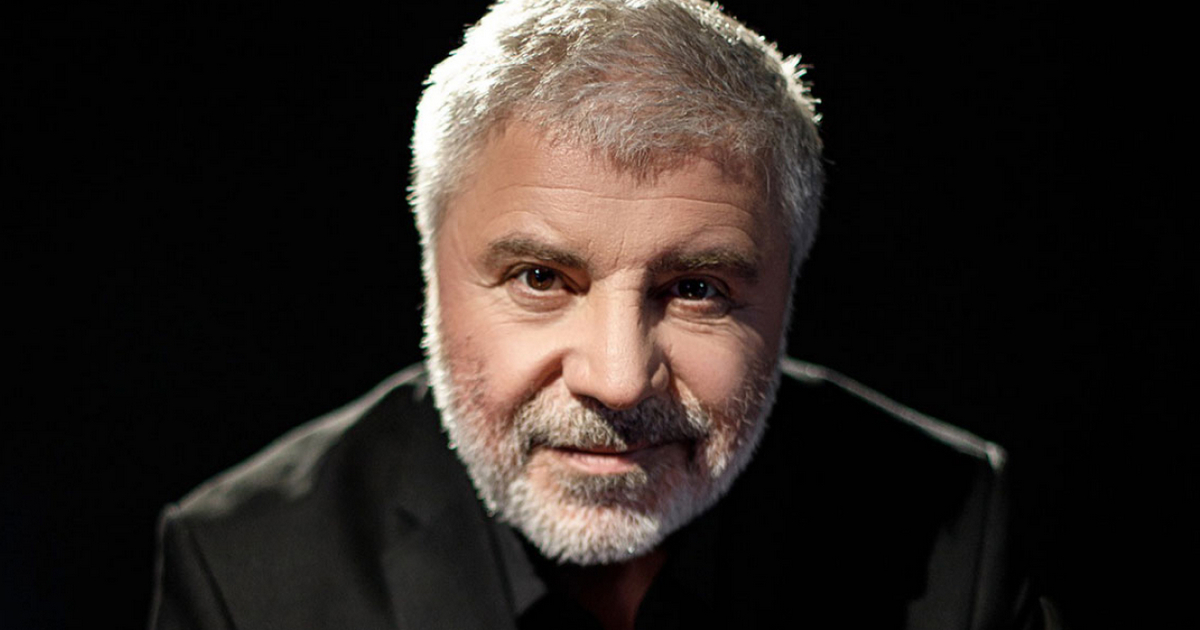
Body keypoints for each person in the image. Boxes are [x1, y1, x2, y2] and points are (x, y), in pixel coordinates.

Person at [150, 1, 1052, 628]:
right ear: (431, 272)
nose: (618, 381)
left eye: (695, 289)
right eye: (541, 277)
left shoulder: (955, 526)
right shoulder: (244, 568)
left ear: (790, 288)